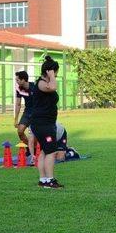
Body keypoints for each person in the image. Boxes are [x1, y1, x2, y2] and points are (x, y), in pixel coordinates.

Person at [30, 56, 64, 189]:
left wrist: (51, 75)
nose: (56, 75)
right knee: (51, 152)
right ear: (50, 71)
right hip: (43, 123)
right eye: (56, 72)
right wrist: (52, 76)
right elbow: (53, 87)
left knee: (45, 151)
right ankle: (50, 180)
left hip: (45, 123)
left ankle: (43, 180)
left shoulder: (44, 83)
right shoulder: (42, 83)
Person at [14, 71, 36, 161]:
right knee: (20, 131)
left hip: (37, 113)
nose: (16, 81)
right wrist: (16, 119)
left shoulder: (35, 87)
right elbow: (18, 104)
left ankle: (35, 151)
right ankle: (29, 148)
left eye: (18, 80)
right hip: (27, 112)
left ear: (23, 80)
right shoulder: (19, 89)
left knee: (35, 135)